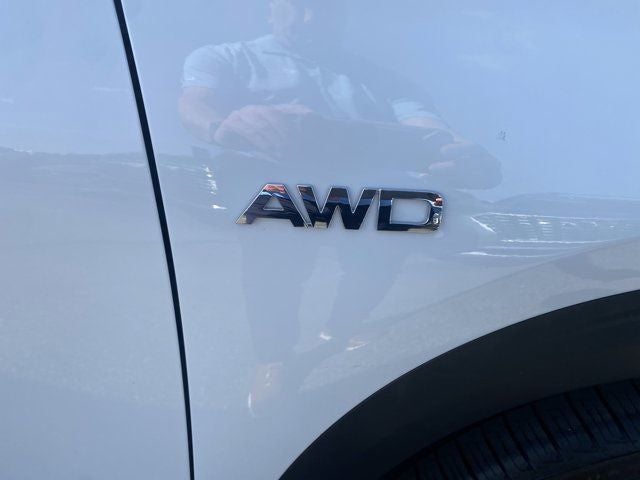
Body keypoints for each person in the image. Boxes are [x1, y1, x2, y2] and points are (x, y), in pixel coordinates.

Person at [179, 0, 501, 416]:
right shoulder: (227, 57)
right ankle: (274, 357)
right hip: (282, 182)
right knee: (276, 269)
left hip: (367, 186)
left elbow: (427, 128)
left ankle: (341, 327)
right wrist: (221, 126)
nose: (311, 17)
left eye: (326, 8)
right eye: (299, 6)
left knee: (391, 246)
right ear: (271, 9)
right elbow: (195, 102)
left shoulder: (379, 78)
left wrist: (457, 151)